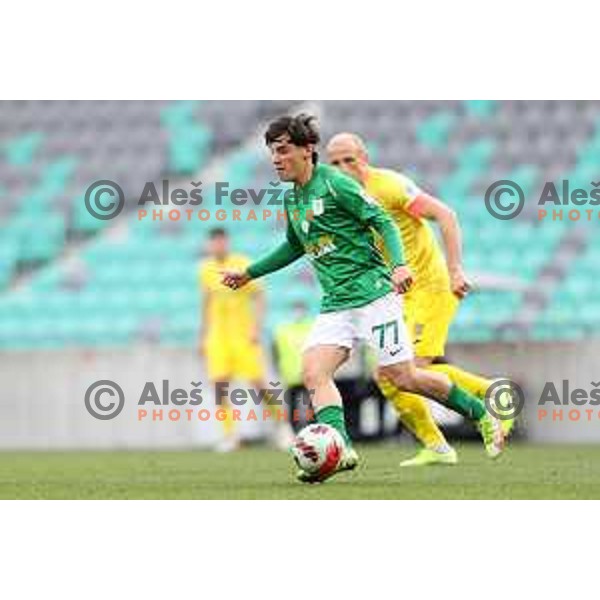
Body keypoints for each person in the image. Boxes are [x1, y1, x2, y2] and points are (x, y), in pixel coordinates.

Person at [222, 114, 504, 483]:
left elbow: (383, 221)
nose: (276, 159)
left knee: (403, 377)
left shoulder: (336, 185)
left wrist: (400, 266)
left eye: (283, 150)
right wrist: (250, 272)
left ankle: (480, 412)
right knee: (313, 372)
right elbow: (295, 244)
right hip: (337, 303)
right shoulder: (293, 198)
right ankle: (339, 448)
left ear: (308, 151)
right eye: (272, 152)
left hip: (374, 297)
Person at [326, 132, 514, 466]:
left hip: (429, 287)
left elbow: (446, 214)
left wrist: (455, 269)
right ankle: (436, 445)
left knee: (406, 369)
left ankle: (491, 396)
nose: (342, 168)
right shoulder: (341, 197)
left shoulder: (390, 186)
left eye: (349, 160)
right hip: (395, 296)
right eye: (335, 163)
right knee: (389, 375)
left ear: (364, 157)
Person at [199, 227, 294, 452]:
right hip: (218, 337)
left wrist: (255, 328)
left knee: (259, 385)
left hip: (243, 335)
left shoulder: (241, 263)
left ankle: (283, 427)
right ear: (209, 245)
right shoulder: (205, 269)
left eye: (221, 242)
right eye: (214, 242)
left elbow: (260, 296)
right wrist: (203, 335)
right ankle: (230, 435)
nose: (218, 246)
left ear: (227, 242)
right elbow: (206, 301)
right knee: (219, 386)